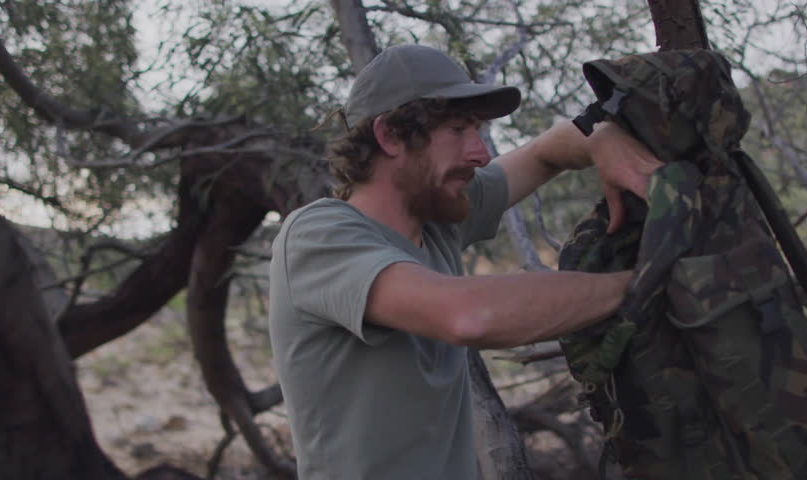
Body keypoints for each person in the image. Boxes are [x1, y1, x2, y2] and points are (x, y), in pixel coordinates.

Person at [268, 44, 661, 479]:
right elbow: (469, 316)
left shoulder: (437, 219)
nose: (481, 153)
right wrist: (651, 280)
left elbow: (544, 153)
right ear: (390, 136)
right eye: (458, 129)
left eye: (477, 129)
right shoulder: (317, 234)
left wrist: (600, 138)